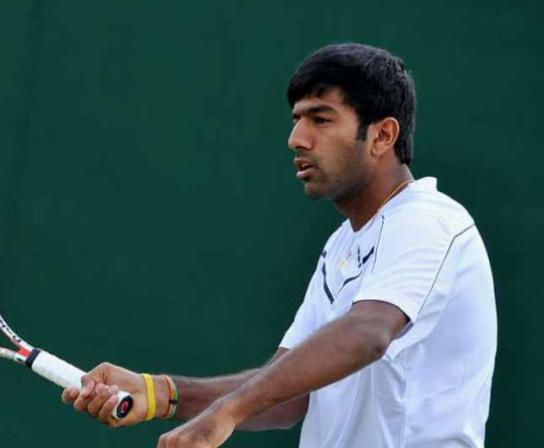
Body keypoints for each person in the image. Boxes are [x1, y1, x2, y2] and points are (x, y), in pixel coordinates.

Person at [62, 43, 497, 448]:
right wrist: (162, 393)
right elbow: (289, 394)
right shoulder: (342, 246)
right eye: (296, 120)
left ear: (382, 136)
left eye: (321, 119)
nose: (297, 139)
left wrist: (225, 413)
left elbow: (368, 333)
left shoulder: (431, 221)